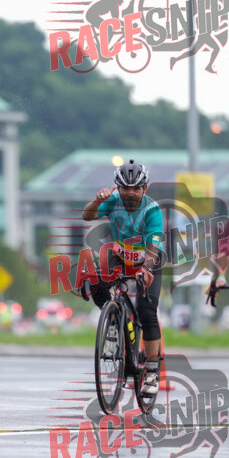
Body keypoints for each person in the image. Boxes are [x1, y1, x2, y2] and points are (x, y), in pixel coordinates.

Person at [81, 159, 164, 395]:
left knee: (147, 311)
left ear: (144, 188)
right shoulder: (112, 201)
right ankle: (114, 320)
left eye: (136, 189)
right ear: (118, 188)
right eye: (125, 188)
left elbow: (153, 245)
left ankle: (152, 371)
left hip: (149, 259)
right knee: (97, 283)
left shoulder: (152, 209)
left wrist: (146, 269)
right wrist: (98, 200)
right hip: (119, 256)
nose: (130, 193)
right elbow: (87, 216)